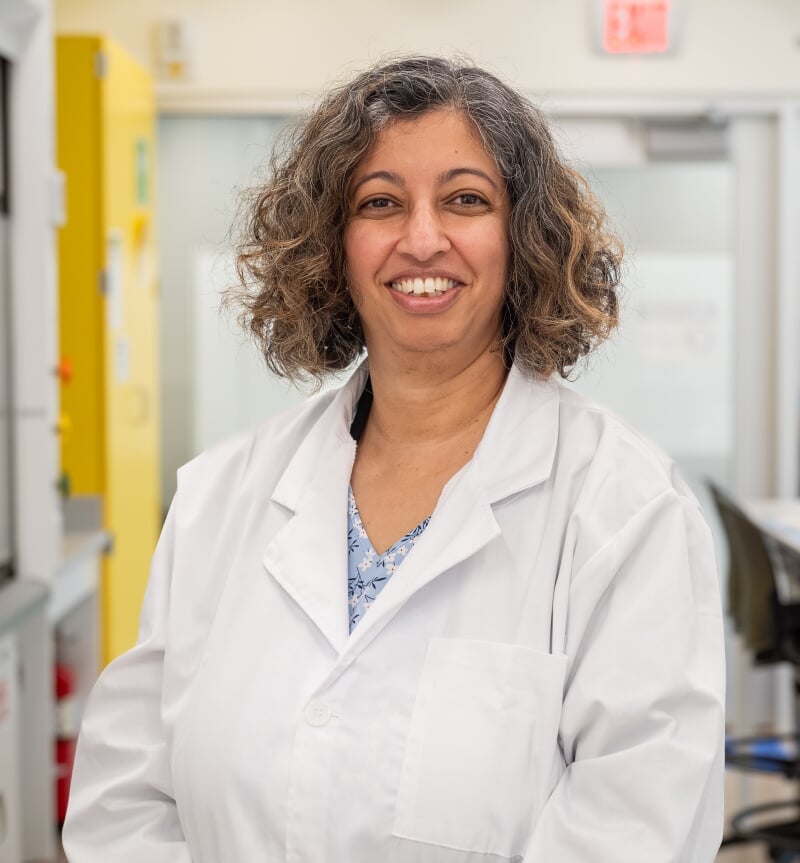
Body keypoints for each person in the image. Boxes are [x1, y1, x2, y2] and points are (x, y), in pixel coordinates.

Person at [63, 56, 725, 862]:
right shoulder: (221, 497)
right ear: (332, 246)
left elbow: (637, 827)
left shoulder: (624, 510)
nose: (421, 238)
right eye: (380, 202)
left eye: (466, 200)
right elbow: (123, 805)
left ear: (523, 238)